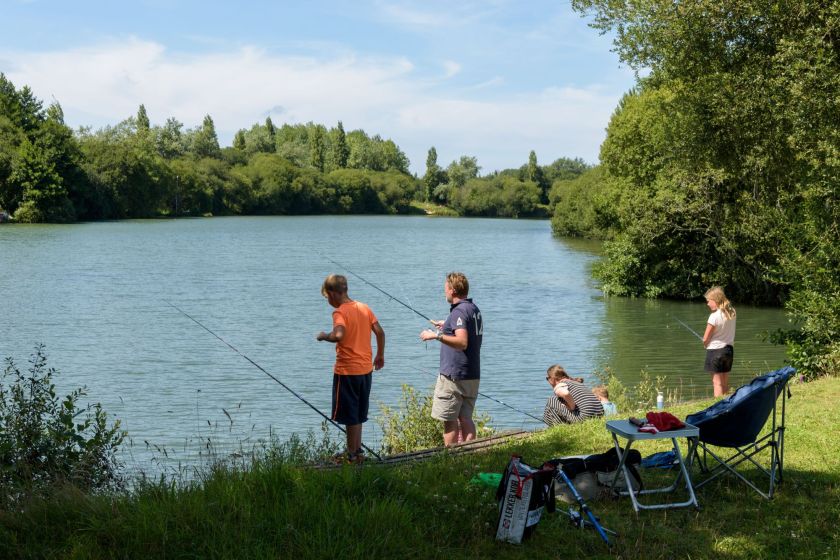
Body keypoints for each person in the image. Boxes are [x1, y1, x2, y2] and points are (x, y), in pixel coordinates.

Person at [316, 274, 385, 464]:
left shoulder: (340, 312)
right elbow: (380, 331)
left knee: (349, 415)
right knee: (359, 414)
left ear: (332, 294)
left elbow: (338, 335)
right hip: (365, 370)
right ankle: (357, 451)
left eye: (327, 297)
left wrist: (324, 336)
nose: (328, 301)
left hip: (347, 371)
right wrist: (380, 355)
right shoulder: (364, 308)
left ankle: (351, 454)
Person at [419, 272, 483, 446]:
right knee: (466, 418)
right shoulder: (473, 309)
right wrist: (446, 325)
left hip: (454, 376)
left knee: (449, 419)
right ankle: (470, 453)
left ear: (453, 290)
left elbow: (462, 342)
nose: (444, 292)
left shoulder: (458, 312)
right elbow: (463, 327)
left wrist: (436, 336)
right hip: (472, 374)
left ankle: (451, 456)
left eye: (446, 288)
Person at [703, 286, 736, 397]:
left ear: (715, 300)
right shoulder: (732, 312)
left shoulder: (714, 316)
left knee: (717, 383)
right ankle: (727, 405)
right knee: (725, 383)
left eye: (709, 301)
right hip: (728, 351)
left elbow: (706, 338)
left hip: (715, 352)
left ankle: (718, 408)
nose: (707, 304)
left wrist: (705, 343)